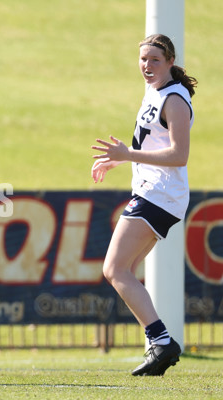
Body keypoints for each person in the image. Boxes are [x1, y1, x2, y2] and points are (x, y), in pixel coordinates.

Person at [91, 34, 197, 376]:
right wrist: (120, 161)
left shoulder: (175, 99)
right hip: (155, 193)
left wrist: (127, 154)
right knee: (123, 271)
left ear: (169, 62)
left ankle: (161, 342)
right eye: (142, 59)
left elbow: (179, 155)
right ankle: (160, 343)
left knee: (114, 269)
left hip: (161, 195)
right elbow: (153, 144)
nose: (147, 66)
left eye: (154, 60)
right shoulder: (154, 92)